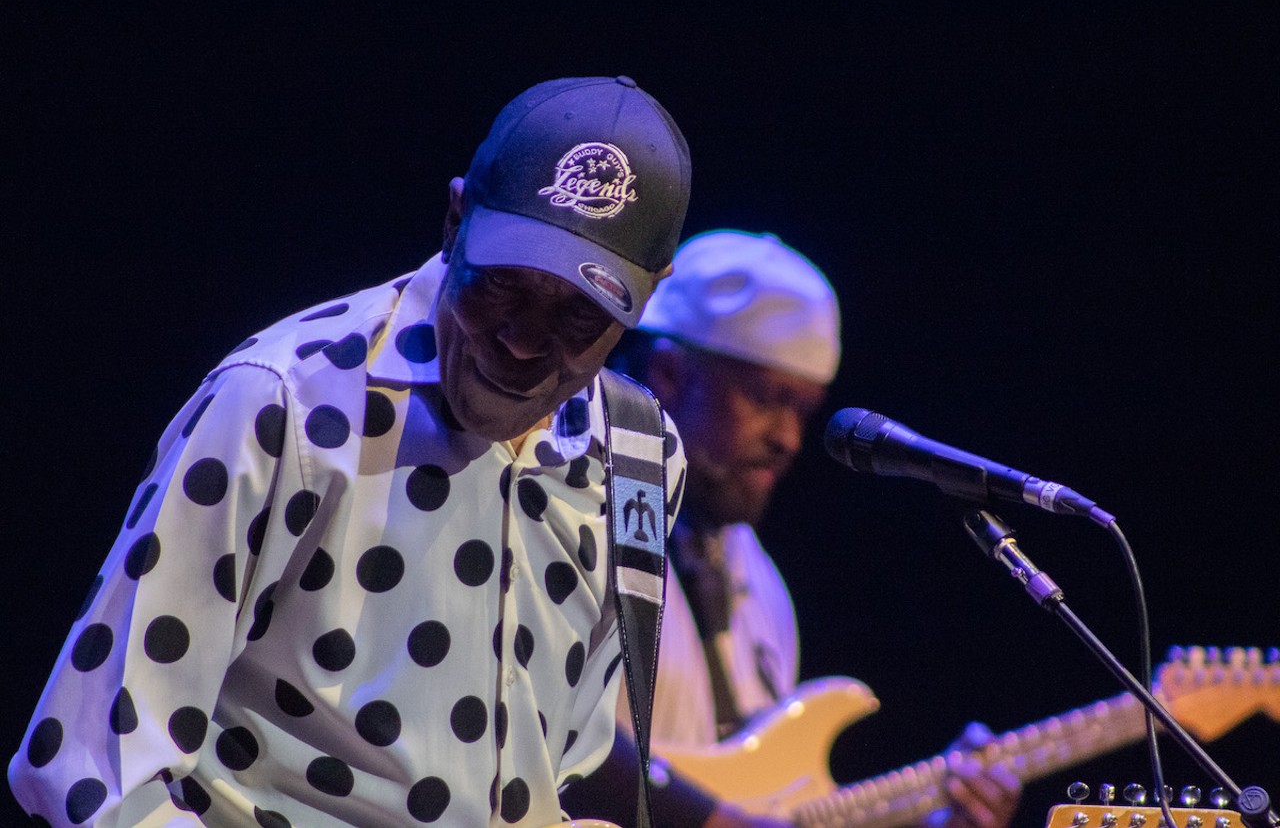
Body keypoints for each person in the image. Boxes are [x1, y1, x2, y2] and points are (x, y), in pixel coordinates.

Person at [9, 76, 691, 828]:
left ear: (649, 297)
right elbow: (92, 772)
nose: (524, 340)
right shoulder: (282, 403)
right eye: (502, 287)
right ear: (454, 221)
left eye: (578, 314)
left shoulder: (641, 459)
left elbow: (545, 770)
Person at [560, 230, 1022, 828]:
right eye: (765, 398)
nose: (789, 439)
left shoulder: (758, 577)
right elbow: (546, 720)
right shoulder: (571, 511)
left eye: (803, 410)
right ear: (670, 375)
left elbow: (773, 802)